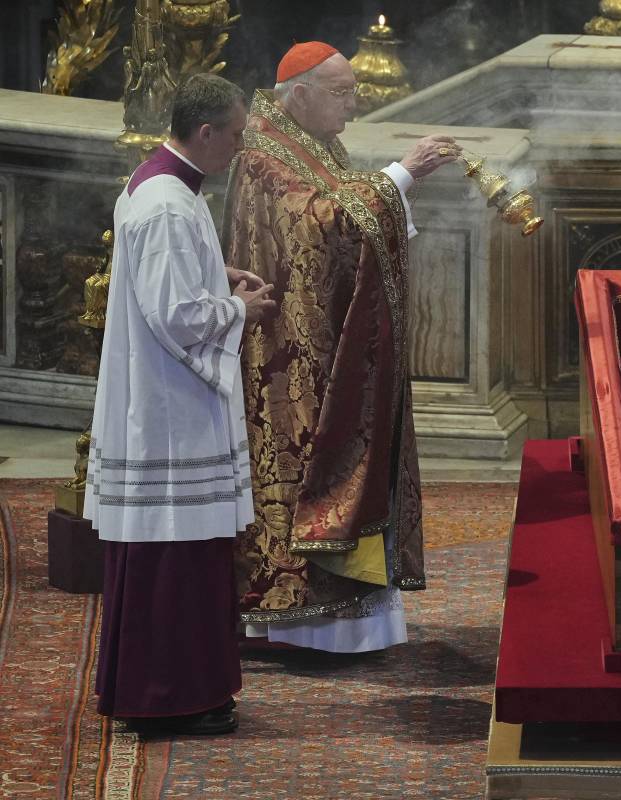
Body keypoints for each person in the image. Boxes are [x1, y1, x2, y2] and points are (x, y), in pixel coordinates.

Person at [224, 42, 460, 652]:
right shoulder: (262, 151)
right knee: (307, 466)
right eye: (342, 93)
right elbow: (320, 220)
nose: (353, 106)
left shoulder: (311, 139)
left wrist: (390, 186)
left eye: (354, 92)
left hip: (326, 338)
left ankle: (349, 616)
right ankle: (302, 624)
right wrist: (401, 174)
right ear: (300, 93)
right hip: (289, 354)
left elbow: (344, 208)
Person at [85, 74, 276, 735]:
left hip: (163, 401)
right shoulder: (168, 203)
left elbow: (162, 279)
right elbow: (173, 313)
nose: (240, 146)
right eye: (236, 135)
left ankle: (181, 690)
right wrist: (238, 309)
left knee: (181, 549)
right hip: (169, 410)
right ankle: (168, 697)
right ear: (205, 131)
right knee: (175, 553)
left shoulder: (162, 183)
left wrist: (216, 274)